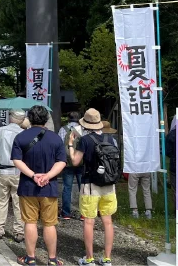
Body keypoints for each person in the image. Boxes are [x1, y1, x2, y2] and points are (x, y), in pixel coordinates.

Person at [11, 105, 66, 266]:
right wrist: (47, 176)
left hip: (28, 186)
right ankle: (53, 259)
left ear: (29, 118)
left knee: (30, 222)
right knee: (49, 224)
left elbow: (16, 160)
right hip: (49, 187)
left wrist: (33, 175)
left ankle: (31, 258)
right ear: (46, 119)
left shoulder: (21, 137)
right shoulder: (56, 138)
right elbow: (62, 161)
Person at [67, 108, 119, 266]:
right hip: (109, 185)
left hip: (90, 185)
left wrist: (70, 145)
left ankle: (89, 259)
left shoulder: (85, 140)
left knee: (89, 222)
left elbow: (75, 161)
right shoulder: (111, 139)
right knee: (108, 222)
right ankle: (107, 258)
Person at [0, 110, 26, 243]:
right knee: (18, 202)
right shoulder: (23, 133)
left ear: (10, 118)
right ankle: (19, 232)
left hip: (2, 170)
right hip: (18, 171)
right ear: (22, 120)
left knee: (1, 200)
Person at [58, 111, 84, 220]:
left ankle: (66, 213)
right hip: (81, 162)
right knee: (83, 188)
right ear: (79, 119)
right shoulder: (83, 130)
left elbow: (59, 145)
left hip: (67, 162)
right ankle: (84, 214)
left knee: (67, 187)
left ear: (68, 119)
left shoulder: (62, 130)